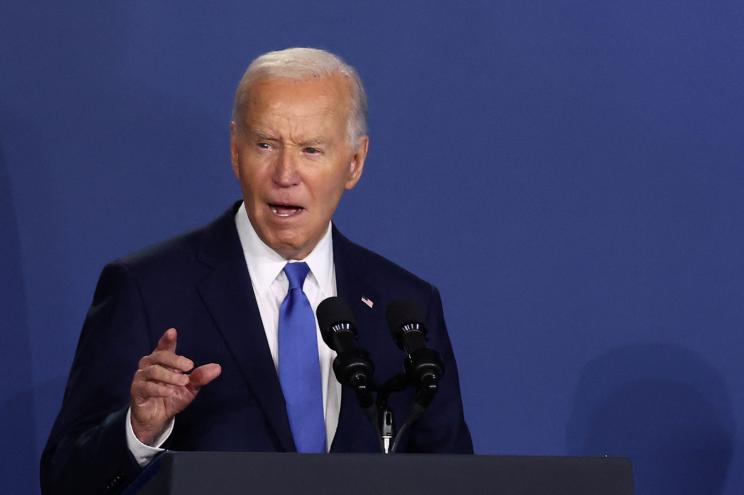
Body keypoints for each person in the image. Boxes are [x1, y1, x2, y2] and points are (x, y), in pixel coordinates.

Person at [41, 47, 472, 494]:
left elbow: (454, 478)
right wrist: (138, 432)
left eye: (311, 149)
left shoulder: (405, 308)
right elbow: (64, 481)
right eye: (265, 145)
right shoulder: (147, 290)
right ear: (234, 150)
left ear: (354, 162)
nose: (285, 174)